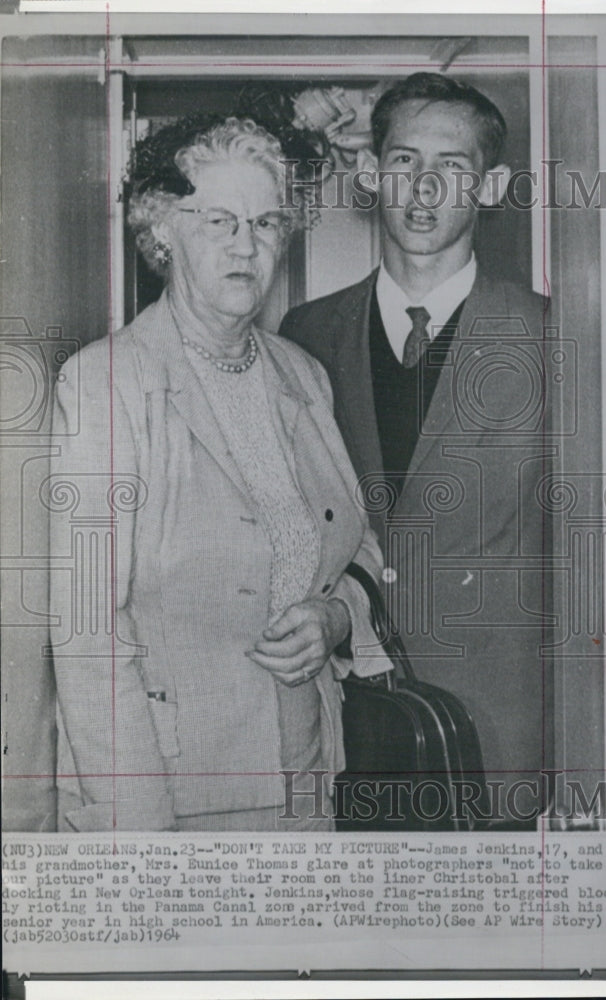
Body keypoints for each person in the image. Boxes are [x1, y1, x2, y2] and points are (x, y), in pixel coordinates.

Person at [48, 115, 383, 833]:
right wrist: (140, 838)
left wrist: (334, 617)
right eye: (218, 220)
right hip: (179, 788)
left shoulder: (302, 375)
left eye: (265, 222)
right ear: (161, 233)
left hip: (309, 769)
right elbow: (86, 635)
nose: (246, 245)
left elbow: (358, 550)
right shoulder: (108, 383)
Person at [279, 73, 553, 826]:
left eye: (452, 167)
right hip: (351, 727)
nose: (423, 189)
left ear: (490, 186)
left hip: (501, 739)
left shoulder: (554, 338)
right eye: (402, 161)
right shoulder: (305, 336)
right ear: (371, 175)